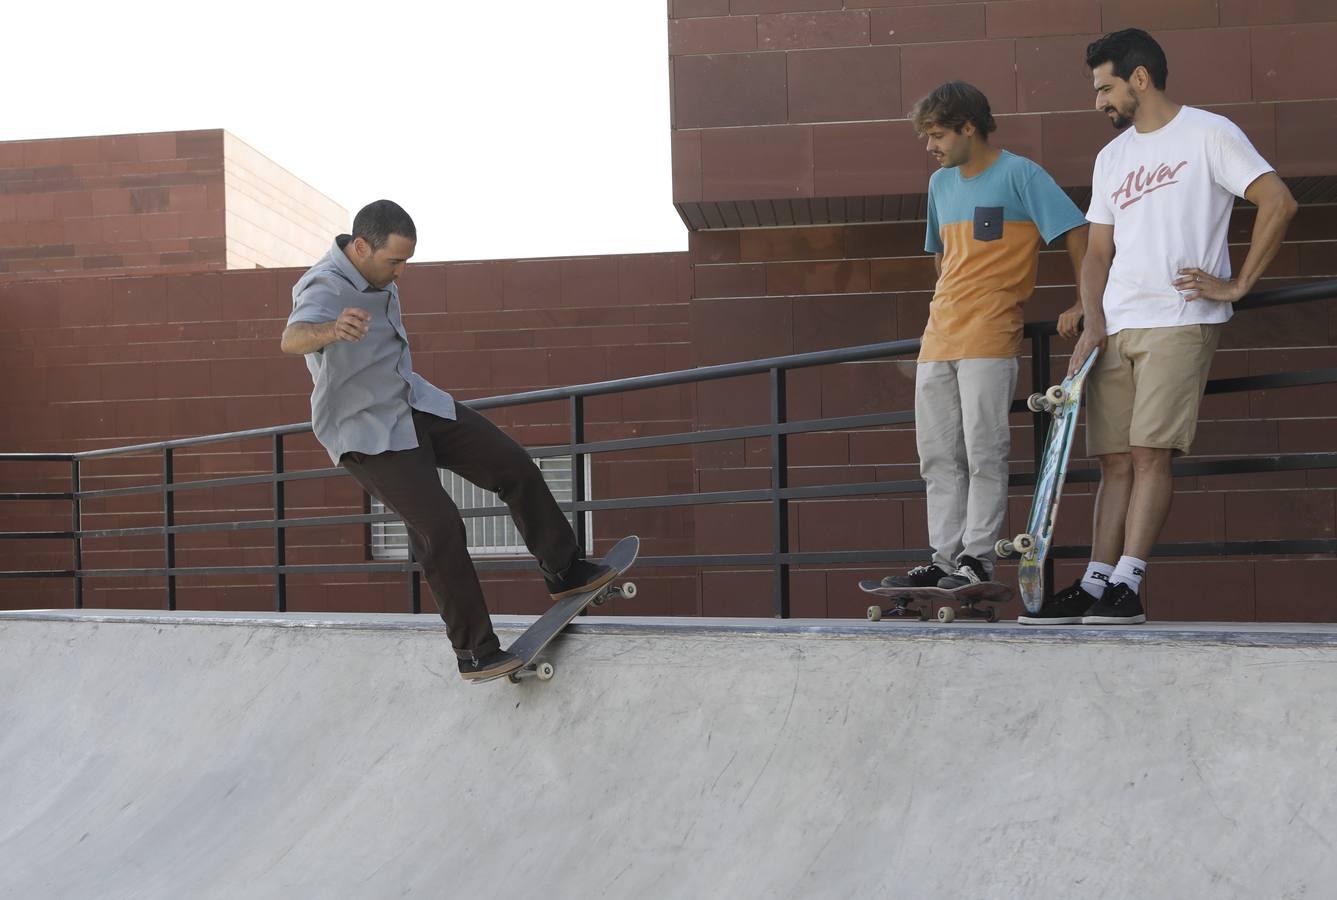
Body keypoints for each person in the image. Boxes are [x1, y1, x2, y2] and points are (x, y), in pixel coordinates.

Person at [1020, 29, 1297, 625]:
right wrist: (1093, 323)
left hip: (1179, 321)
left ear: (1139, 79)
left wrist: (1237, 284)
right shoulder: (1111, 157)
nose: (1098, 102)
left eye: (1105, 87)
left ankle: (1129, 582)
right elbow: (1097, 252)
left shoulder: (1209, 133)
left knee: (1149, 453)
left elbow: (1278, 201)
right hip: (1117, 326)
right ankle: (1097, 582)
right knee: (1114, 459)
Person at [280, 200, 615, 679]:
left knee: (512, 464)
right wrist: (332, 330)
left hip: (414, 404)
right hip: (366, 432)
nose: (399, 274)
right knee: (439, 527)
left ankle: (565, 571)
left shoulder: (380, 276)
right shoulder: (324, 284)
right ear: (359, 246)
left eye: (405, 263)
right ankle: (475, 650)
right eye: (394, 261)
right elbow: (291, 338)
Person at [882, 81, 1089, 593]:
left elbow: (1076, 231)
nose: (930, 146)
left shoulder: (1021, 174)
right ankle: (944, 560)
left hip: (992, 335)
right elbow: (942, 257)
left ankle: (977, 559)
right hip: (938, 339)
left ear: (968, 126)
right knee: (937, 457)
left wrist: (1086, 301)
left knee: (984, 452)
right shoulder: (939, 185)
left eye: (937, 135)